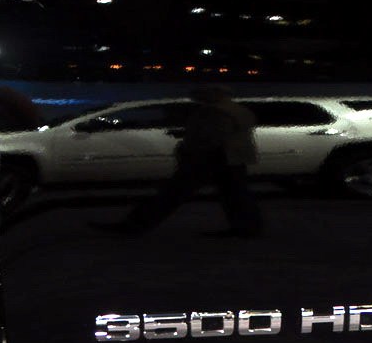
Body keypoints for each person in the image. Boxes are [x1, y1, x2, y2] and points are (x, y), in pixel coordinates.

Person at [94, 86, 264, 237]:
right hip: (233, 157)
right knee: (236, 194)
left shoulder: (214, 112)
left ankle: (134, 225)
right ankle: (248, 227)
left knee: (172, 193)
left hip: (210, 157)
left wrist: (190, 149)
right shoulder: (238, 110)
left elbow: (211, 136)